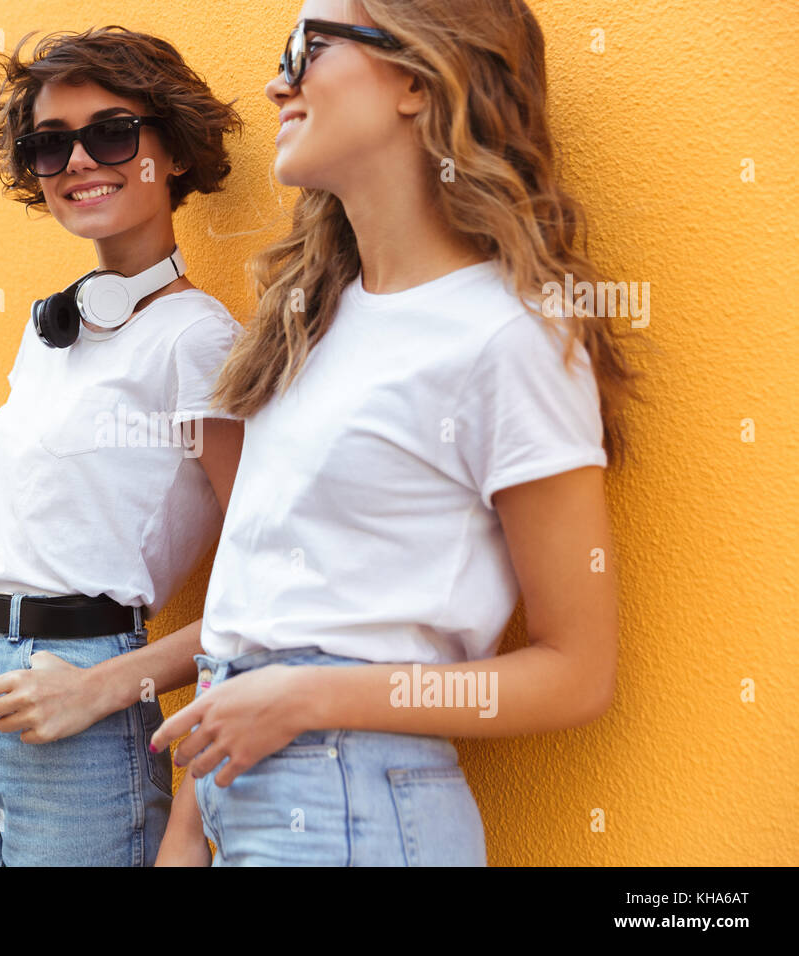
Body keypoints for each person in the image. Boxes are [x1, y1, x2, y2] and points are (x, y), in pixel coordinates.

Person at [151, 0, 650, 866]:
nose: (276, 83)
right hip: (241, 785)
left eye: (307, 49)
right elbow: (256, 614)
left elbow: (577, 674)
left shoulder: (507, 337)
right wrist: (187, 832)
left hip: (352, 803)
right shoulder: (308, 319)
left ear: (417, 79)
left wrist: (306, 699)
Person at [0, 26, 246, 866]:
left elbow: (273, 583)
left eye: (111, 133)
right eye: (50, 144)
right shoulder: (48, 331)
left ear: (171, 153)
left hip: (77, 715)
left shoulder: (196, 339)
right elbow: (36, 536)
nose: (78, 160)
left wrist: (101, 689)